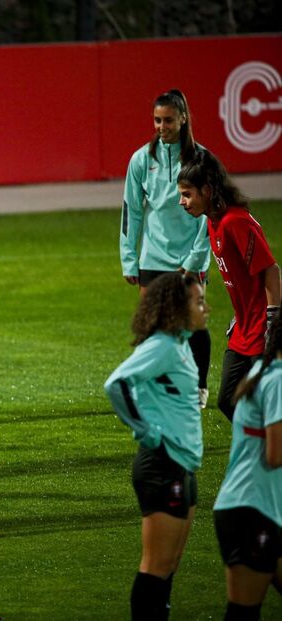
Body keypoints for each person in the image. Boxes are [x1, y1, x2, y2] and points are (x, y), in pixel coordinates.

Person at [104, 272, 210, 620]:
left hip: (184, 465)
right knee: (156, 565)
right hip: (162, 465)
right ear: (177, 306)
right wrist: (147, 432)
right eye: (198, 302)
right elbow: (116, 384)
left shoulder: (179, 343)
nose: (205, 308)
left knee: (170, 564)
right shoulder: (162, 346)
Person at [119, 89, 212, 410]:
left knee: (193, 323)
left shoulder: (201, 159)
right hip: (153, 257)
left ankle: (199, 386)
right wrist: (129, 258)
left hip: (189, 258)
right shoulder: (142, 159)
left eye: (169, 119)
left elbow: (210, 215)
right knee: (152, 325)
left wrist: (195, 259)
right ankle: (154, 386)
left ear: (183, 118)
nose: (162, 126)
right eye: (157, 120)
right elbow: (131, 211)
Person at [178, 149, 281, 420]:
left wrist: (272, 320)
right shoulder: (213, 223)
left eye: (187, 194)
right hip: (243, 330)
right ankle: (263, 449)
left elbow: (271, 271)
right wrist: (240, 315)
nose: (182, 202)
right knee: (227, 400)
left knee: (271, 406)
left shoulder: (235, 222)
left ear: (208, 190)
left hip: (263, 330)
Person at [213, 316, 282, 620]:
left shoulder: (258, 372)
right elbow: (275, 454)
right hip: (252, 510)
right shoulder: (278, 381)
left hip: (246, 505)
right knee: (242, 613)